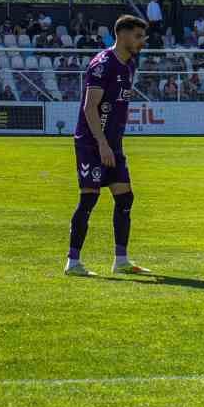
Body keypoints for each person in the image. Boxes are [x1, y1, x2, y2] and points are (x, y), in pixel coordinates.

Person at [66, 14, 153, 277]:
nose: (142, 42)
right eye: (138, 36)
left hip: (112, 144)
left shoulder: (130, 65)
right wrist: (101, 144)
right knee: (89, 198)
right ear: (122, 35)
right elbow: (90, 107)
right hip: (92, 144)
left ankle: (121, 260)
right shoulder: (102, 65)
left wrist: (111, 143)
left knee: (125, 198)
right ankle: (73, 262)